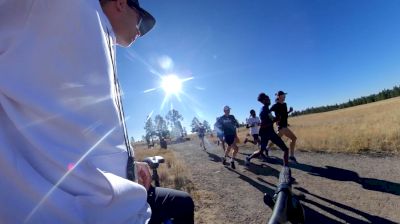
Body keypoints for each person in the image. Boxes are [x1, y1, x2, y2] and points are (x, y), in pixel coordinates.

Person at [0, 1, 193, 223]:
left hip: (115, 200)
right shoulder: (63, 7)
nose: (141, 31)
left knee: (181, 203)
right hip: (67, 211)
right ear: (121, 3)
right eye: (141, 21)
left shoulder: (100, 37)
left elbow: (87, 131)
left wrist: (129, 164)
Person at [245, 93, 289, 167]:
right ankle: (248, 158)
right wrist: (274, 120)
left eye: (269, 98)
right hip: (265, 134)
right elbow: (264, 125)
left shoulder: (267, 109)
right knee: (261, 151)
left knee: (285, 150)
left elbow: (272, 119)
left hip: (270, 133)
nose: (269, 100)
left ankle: (286, 168)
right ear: (263, 101)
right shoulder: (263, 111)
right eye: (267, 99)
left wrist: (277, 118)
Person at [270, 90, 298, 163]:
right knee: (294, 138)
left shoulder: (285, 104)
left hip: (284, 125)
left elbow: (284, 115)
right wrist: (274, 119)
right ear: (279, 96)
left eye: (285, 95)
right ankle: (291, 156)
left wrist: (289, 111)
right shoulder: (275, 105)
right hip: (282, 127)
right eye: (283, 95)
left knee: (275, 139)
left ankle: (266, 148)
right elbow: (268, 112)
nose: (285, 96)